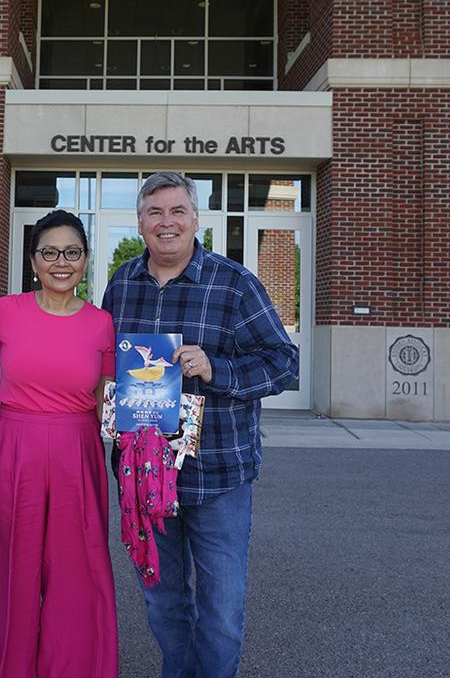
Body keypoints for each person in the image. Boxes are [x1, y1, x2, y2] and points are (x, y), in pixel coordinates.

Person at [101, 171, 299, 678]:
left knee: (220, 612)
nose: (166, 223)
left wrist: (217, 370)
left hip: (217, 476)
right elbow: (105, 364)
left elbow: (284, 363)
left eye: (177, 212)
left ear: (195, 220)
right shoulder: (121, 283)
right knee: (163, 604)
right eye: (154, 213)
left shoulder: (234, 284)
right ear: (140, 222)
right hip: (144, 477)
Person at [0, 210, 119, 678]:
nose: (62, 262)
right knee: (12, 569)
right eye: (50, 252)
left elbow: (108, 401)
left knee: (76, 573)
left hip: (78, 450)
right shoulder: (4, 313)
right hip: (14, 449)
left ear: (85, 260)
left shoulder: (102, 324)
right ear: (33, 259)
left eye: (73, 252)